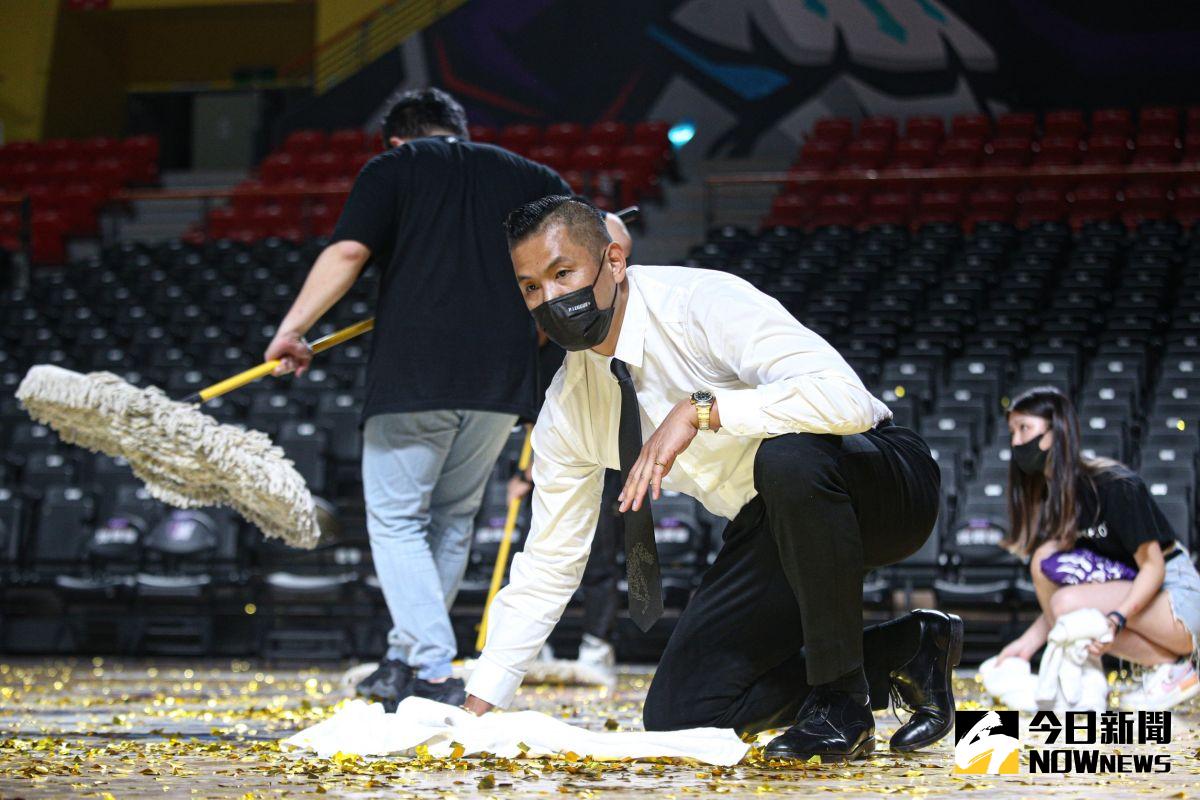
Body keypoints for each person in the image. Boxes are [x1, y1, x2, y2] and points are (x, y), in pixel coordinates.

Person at [460, 195, 963, 761]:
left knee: (789, 457)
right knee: (683, 712)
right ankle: (908, 646)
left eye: (562, 274)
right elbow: (550, 561)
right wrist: (480, 704)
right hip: (772, 524)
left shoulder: (699, 302)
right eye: (531, 287)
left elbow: (845, 399)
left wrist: (702, 410)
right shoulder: (569, 407)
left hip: (880, 481)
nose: (550, 299)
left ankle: (841, 704)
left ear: (615, 261)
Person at [264, 88, 573, 707]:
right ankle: (402, 660)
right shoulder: (533, 176)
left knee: (399, 522)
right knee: (453, 520)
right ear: (458, 129)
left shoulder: (393, 168)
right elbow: (570, 268)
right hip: (498, 381)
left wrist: (293, 329)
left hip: (415, 374)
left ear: (399, 140)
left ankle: (433, 670)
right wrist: (531, 334)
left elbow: (349, 251)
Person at [995, 386, 1200, 710]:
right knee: (1044, 561)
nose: (1016, 442)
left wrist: (1115, 618)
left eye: (1025, 429)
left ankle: (1175, 667)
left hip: (1179, 600)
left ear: (1055, 432)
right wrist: (1025, 645)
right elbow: (1063, 603)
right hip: (1137, 594)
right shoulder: (1059, 497)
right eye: (1012, 432)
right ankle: (1160, 669)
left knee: (1069, 602)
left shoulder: (1115, 485)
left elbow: (1153, 567)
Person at [507, 211, 636, 683]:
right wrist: (522, 476)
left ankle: (596, 646)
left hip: (605, 456)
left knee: (599, 559)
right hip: (547, 461)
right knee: (541, 551)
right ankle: (533, 644)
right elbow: (531, 423)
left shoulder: (589, 326)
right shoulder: (535, 353)